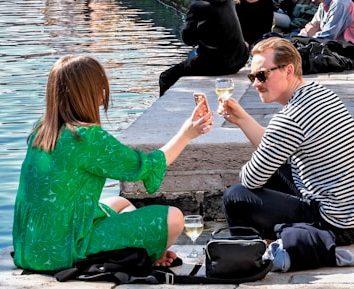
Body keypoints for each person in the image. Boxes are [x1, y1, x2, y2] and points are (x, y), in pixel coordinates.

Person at [12, 55, 215, 272]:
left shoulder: (41, 131)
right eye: (101, 87)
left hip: (30, 249)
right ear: (88, 93)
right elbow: (145, 166)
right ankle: (142, 253)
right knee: (174, 218)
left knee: (121, 202)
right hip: (64, 250)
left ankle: (142, 249)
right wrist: (187, 134)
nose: (103, 93)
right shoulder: (87, 138)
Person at [220, 37, 354, 265]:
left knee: (235, 196)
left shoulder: (289, 118)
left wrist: (249, 166)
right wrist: (242, 118)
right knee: (277, 168)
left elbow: (252, 179)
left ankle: (249, 255)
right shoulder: (320, 93)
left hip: (335, 224)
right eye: (253, 76)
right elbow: (277, 146)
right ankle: (268, 239)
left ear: (288, 70)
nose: (256, 83)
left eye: (262, 75)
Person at [159, 0, 248, 95]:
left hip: (217, 64)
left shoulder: (197, 6)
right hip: (240, 58)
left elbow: (188, 39)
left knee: (165, 77)